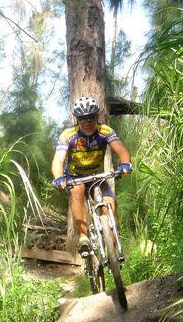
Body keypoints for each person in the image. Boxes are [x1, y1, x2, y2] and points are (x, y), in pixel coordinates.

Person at [51, 96, 132, 255]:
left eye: (91, 118)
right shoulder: (68, 135)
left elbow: (121, 150)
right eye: (82, 119)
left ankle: (112, 248)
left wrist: (124, 163)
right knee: (77, 190)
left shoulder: (105, 131)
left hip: (98, 176)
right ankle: (83, 238)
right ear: (77, 120)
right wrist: (59, 177)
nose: (87, 123)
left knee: (110, 207)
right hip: (76, 177)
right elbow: (58, 160)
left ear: (97, 117)